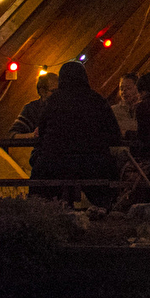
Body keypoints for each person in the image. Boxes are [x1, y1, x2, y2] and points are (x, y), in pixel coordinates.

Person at [29, 62, 121, 206]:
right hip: (92, 162)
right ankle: (106, 209)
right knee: (106, 192)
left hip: (55, 161)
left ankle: (40, 212)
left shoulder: (54, 101)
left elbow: (43, 130)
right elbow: (114, 134)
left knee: (40, 194)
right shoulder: (96, 100)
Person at [10, 71, 58, 137]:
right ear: (42, 91)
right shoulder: (32, 109)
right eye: (54, 91)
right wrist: (33, 135)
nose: (58, 94)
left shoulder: (65, 107)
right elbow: (13, 135)